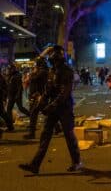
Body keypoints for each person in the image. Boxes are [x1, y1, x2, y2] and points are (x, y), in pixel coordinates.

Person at [19, 45, 82, 174]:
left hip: (64, 108)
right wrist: (41, 102)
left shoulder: (67, 72)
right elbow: (48, 90)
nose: (51, 62)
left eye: (53, 59)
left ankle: (77, 162)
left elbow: (64, 93)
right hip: (54, 107)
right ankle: (35, 165)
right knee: (45, 135)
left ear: (58, 59)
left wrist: (50, 106)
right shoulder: (52, 71)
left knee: (69, 136)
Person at [23, 56, 49, 139]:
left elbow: (33, 79)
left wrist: (32, 74)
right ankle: (57, 127)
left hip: (38, 95)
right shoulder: (41, 71)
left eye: (36, 63)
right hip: (37, 95)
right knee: (45, 112)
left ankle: (31, 133)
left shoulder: (42, 71)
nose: (35, 65)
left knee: (34, 114)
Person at [5, 63, 30, 132]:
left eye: (9, 69)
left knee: (20, 108)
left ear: (12, 69)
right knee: (9, 109)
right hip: (11, 95)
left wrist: (17, 95)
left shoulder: (17, 76)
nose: (8, 70)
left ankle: (32, 116)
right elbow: (9, 86)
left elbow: (20, 87)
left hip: (15, 95)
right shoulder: (11, 76)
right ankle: (10, 126)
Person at [0, 72, 9, 139]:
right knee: (2, 113)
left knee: (2, 113)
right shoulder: (2, 77)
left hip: (1, 98)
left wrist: (4, 98)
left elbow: (3, 89)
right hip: (1, 97)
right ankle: (9, 125)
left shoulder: (1, 78)